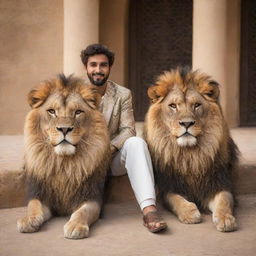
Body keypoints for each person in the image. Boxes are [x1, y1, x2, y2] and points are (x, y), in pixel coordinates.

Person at [80, 44, 167, 233]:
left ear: (110, 67)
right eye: (93, 65)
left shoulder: (123, 94)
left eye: (103, 65)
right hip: (83, 162)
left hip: (112, 159)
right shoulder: (75, 94)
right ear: (86, 67)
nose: (98, 70)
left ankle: (149, 210)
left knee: (136, 143)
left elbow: (128, 130)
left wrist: (108, 149)